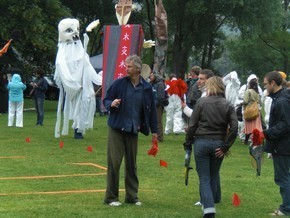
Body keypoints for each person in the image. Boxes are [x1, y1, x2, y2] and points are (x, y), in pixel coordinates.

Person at [103, 55, 158, 206]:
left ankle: (132, 197)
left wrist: (155, 131)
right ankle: (111, 198)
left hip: (133, 130)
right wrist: (111, 103)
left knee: (132, 165)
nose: (126, 69)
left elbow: (152, 111)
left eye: (129, 66)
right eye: (126, 66)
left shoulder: (146, 88)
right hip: (116, 128)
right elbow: (106, 99)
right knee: (114, 163)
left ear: (138, 69)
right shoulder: (119, 84)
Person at [184, 76, 238, 218]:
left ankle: (208, 208)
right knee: (213, 175)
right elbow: (234, 127)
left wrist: (187, 143)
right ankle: (210, 204)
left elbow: (192, 125)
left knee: (204, 178)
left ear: (210, 87)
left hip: (201, 142)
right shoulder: (228, 104)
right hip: (219, 143)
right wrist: (226, 147)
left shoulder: (202, 102)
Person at [262, 71, 290, 216]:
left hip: (283, 145)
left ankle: (286, 208)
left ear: (273, 83)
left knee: (282, 177)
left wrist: (265, 133)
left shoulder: (282, 100)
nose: (265, 86)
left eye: (266, 83)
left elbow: (285, 124)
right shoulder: (281, 97)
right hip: (283, 144)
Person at [243, 79, 263, 144]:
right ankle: (256, 141)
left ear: (250, 84)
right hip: (256, 111)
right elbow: (260, 102)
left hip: (249, 110)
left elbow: (245, 101)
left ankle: (246, 140)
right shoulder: (257, 92)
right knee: (256, 126)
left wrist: (241, 104)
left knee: (248, 126)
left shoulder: (248, 91)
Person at [149, 72, 166, 142]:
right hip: (153, 105)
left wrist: (155, 104)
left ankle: (159, 137)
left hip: (158, 106)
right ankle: (155, 136)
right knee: (154, 121)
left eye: (151, 75)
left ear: (156, 76)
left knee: (158, 121)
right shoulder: (153, 84)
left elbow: (160, 97)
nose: (150, 76)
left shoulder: (160, 84)